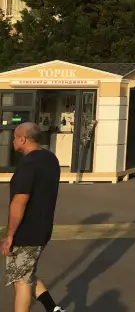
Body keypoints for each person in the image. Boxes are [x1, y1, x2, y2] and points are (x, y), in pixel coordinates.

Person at [3, 123, 65, 312]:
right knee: (26, 271)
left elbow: (19, 201)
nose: (13, 141)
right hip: (43, 228)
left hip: (27, 231)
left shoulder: (28, 164)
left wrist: (10, 234)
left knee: (21, 280)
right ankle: (53, 309)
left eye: (15, 137)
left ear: (23, 139)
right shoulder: (51, 159)